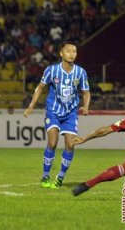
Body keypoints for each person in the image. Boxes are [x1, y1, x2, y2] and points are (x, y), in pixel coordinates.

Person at [23, 40, 90, 189]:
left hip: (71, 113)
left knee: (70, 145)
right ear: (61, 53)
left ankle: (60, 177)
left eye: (74, 51)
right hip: (53, 111)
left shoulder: (80, 72)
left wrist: (86, 106)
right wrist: (31, 106)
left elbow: (86, 92)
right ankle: (45, 176)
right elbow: (40, 88)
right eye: (68, 51)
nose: (72, 54)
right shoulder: (51, 70)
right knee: (52, 143)